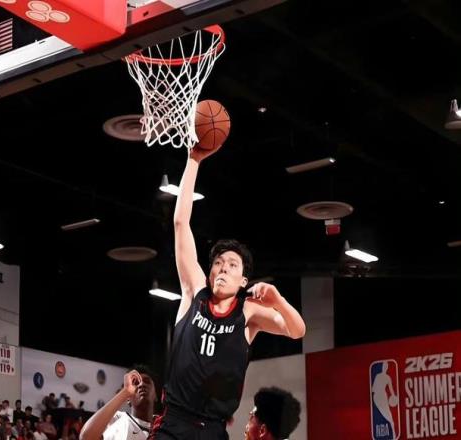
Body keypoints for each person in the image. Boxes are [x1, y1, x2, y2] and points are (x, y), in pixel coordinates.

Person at [149, 145, 306, 439]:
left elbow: (297, 331)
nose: (222, 268)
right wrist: (194, 160)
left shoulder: (249, 313)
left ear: (244, 280)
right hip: (174, 423)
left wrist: (279, 301)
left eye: (232, 265)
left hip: (213, 429)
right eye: (218, 263)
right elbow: (180, 223)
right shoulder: (194, 291)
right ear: (210, 273)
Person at [80, 366, 157, 440]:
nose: (141, 384)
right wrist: (125, 392)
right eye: (136, 383)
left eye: (147, 382)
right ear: (128, 399)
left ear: (155, 395)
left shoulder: (162, 424)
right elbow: (86, 437)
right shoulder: (117, 418)